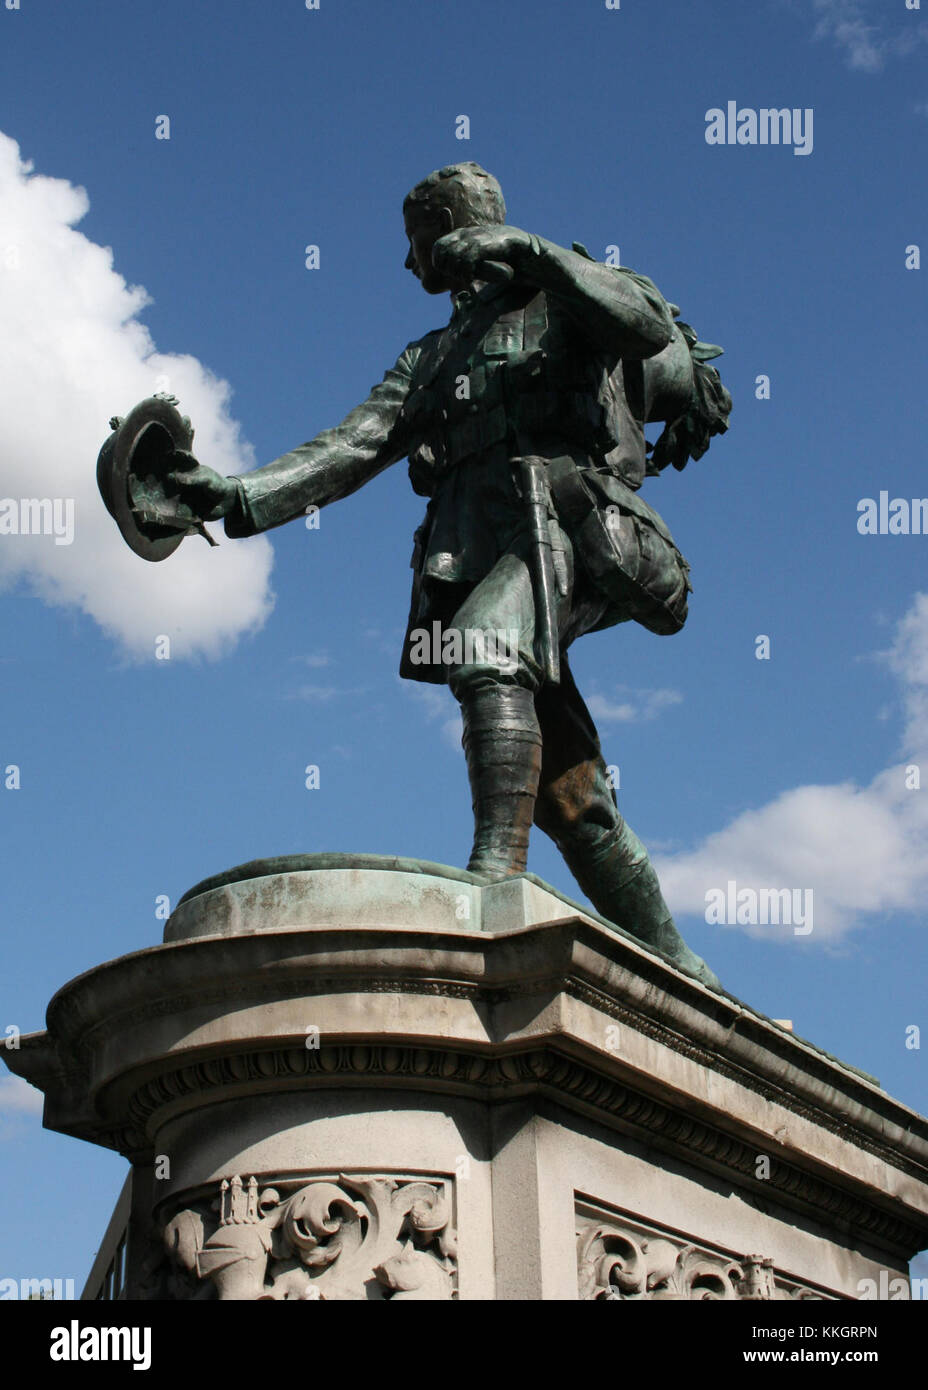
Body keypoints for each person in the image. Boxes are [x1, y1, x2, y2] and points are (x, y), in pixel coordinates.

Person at [174, 161, 729, 990]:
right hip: (487, 545)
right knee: (576, 800)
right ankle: (686, 973)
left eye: (417, 241)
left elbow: (645, 327)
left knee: (483, 648)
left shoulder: (564, 299)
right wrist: (235, 495)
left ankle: (494, 877)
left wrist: (533, 253)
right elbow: (351, 444)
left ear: (455, 229)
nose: (409, 264)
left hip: (576, 528)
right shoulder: (429, 359)